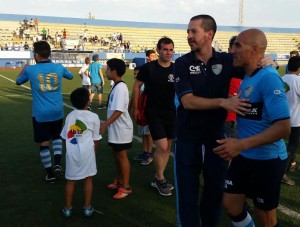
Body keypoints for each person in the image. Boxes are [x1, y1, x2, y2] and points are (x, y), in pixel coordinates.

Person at [173, 15, 278, 227]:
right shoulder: (182, 63)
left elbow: (253, 67)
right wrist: (224, 102)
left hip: (217, 142)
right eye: (188, 32)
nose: (189, 36)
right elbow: (188, 101)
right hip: (187, 140)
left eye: (194, 31)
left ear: (209, 34)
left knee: (214, 195)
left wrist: (268, 62)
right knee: (187, 198)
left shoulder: (226, 60)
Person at [213, 28, 290, 227]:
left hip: (267, 160)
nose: (233, 50)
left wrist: (240, 144)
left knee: (265, 217)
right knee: (230, 204)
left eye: (238, 45)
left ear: (255, 49)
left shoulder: (269, 78)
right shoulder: (248, 76)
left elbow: (283, 127)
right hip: (244, 156)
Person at [16, 41, 73, 182]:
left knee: (43, 142)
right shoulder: (58, 67)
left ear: (36, 54)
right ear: (49, 53)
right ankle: (58, 164)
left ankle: (50, 174)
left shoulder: (31, 70)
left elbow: (18, 81)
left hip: (40, 113)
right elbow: (71, 76)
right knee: (57, 137)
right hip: (57, 111)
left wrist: (24, 68)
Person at [133, 37, 175, 196]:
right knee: (162, 147)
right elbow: (137, 86)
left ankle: (157, 177)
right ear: (158, 50)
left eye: (171, 50)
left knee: (167, 147)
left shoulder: (176, 69)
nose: (168, 53)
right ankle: (160, 177)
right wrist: (136, 108)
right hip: (154, 112)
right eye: (165, 49)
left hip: (171, 112)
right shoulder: (148, 68)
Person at [60, 87, 102, 218]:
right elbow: (96, 139)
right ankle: (87, 208)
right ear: (88, 101)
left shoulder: (70, 116)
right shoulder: (94, 117)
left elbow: (64, 137)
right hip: (88, 154)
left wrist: (68, 150)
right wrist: (94, 153)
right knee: (88, 179)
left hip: (72, 154)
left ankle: (67, 209)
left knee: (71, 181)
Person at [100, 58, 133, 199]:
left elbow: (119, 111)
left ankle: (126, 187)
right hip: (116, 129)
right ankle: (119, 182)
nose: (106, 71)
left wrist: (105, 124)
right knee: (116, 156)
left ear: (114, 71)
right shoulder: (117, 85)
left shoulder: (120, 88)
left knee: (122, 156)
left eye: (107, 69)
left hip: (121, 130)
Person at [132, 49, 157, 165]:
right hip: (142, 106)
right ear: (147, 57)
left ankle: (149, 153)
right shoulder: (145, 69)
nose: (154, 57)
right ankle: (145, 151)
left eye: (154, 55)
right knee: (143, 131)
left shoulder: (154, 69)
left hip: (149, 106)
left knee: (148, 132)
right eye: (152, 56)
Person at [281, 56, 300, 186]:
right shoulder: (298, 81)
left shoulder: (281, 78)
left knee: (279, 145)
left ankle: (290, 165)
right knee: (292, 146)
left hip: (280, 119)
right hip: (295, 120)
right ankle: (282, 172)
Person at [224, 35, 242, 138]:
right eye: (235, 47)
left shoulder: (246, 69)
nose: (237, 51)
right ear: (229, 49)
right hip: (229, 119)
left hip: (240, 119)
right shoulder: (224, 68)